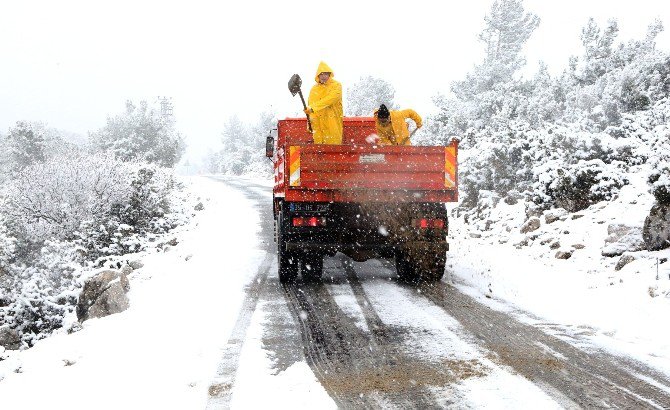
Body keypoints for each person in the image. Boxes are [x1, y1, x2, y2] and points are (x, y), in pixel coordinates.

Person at [304, 61, 343, 144]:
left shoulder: (336, 85)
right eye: (321, 74)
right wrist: (309, 123)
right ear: (318, 75)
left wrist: (313, 108)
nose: (323, 76)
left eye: (325, 74)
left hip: (332, 123)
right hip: (317, 127)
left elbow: (331, 99)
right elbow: (310, 107)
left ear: (329, 74)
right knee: (319, 152)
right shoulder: (314, 89)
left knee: (333, 150)